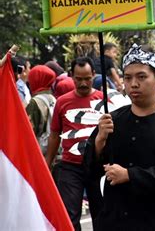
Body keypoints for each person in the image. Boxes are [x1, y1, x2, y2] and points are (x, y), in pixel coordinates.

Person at [84, 44, 155, 230]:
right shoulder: (111, 121)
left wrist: (129, 175)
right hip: (115, 220)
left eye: (141, 77)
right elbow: (91, 172)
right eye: (127, 77)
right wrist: (99, 142)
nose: (133, 83)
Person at [45, 56, 103, 230]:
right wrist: (47, 163)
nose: (83, 83)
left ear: (93, 74)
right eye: (79, 79)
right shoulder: (62, 102)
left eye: (87, 78)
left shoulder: (104, 101)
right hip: (70, 167)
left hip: (97, 166)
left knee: (102, 214)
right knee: (69, 217)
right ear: (71, 76)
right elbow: (55, 135)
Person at [25, 65, 56, 155]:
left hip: (39, 151)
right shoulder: (53, 99)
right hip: (53, 149)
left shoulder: (35, 102)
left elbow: (30, 130)